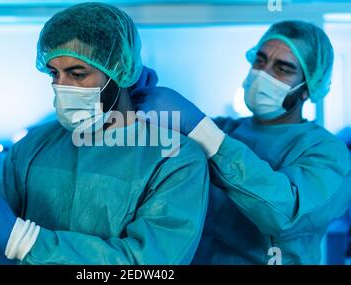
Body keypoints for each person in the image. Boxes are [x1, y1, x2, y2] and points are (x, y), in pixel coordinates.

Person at [0, 2, 209, 265]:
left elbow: (147, 265)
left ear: (120, 73)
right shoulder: (34, 145)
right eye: (54, 73)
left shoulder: (175, 158)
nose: (61, 86)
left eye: (77, 74)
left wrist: (23, 238)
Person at [132, 20, 351, 264]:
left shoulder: (328, 152)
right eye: (260, 60)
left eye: (282, 69)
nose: (263, 73)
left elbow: (285, 214)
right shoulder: (228, 129)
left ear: (308, 87)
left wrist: (203, 131)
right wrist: (131, 90)